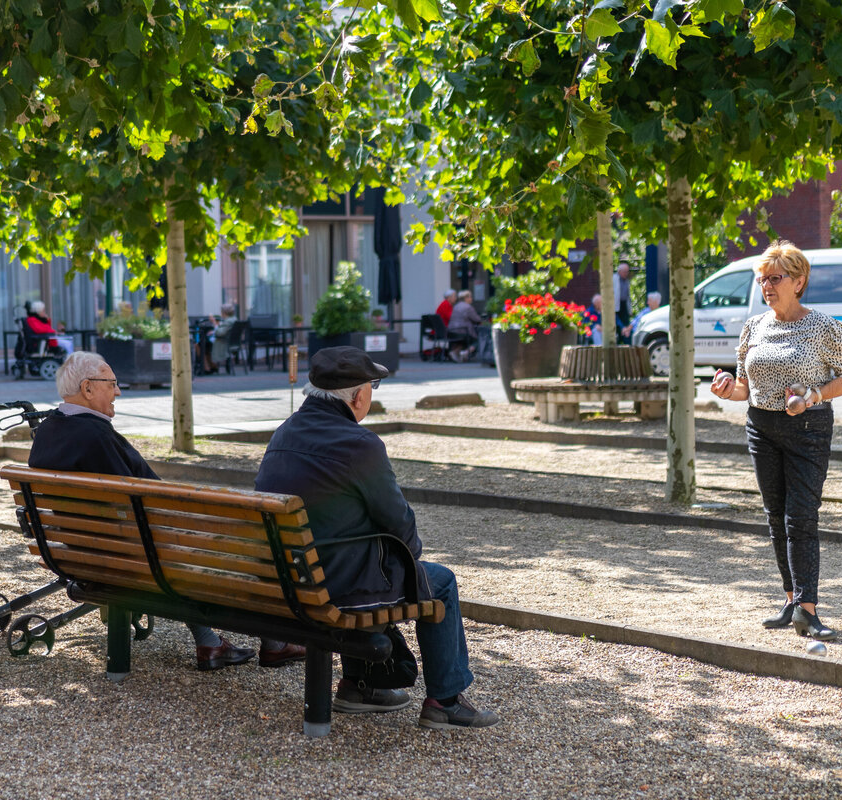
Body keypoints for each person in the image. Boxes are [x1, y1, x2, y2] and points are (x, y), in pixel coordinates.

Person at [255, 346, 499, 730]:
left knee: (361, 561)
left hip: (286, 578)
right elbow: (399, 523)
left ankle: (360, 686)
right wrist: (410, 559)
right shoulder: (361, 446)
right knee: (440, 582)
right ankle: (445, 700)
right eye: (373, 385)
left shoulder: (284, 432)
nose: (372, 393)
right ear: (358, 396)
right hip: (334, 585)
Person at [28, 351, 305, 670]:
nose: (118, 391)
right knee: (255, 541)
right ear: (88, 388)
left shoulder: (50, 430)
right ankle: (274, 641)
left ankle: (212, 643)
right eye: (113, 384)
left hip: (82, 552)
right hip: (134, 552)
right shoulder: (94, 435)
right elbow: (142, 503)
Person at [710, 241, 842, 642]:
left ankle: (808, 610)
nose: (766, 286)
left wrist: (813, 395)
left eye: (775, 278)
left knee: (801, 517)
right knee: (775, 516)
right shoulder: (754, 326)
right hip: (761, 427)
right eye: (762, 279)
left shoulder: (824, 327)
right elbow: (746, 387)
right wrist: (729, 391)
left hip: (807, 431)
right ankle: (792, 599)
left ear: (799, 281)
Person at [446, 290, 482, 362]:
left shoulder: (456, 306)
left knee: (463, 341)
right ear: (466, 298)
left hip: (452, 331)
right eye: (470, 297)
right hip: (463, 331)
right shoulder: (468, 307)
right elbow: (477, 319)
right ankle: (466, 353)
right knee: (478, 340)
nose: (471, 299)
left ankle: (455, 352)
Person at [613, 261, 632, 334]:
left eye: (627, 272)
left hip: (624, 305)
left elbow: (628, 295)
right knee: (618, 323)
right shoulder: (614, 278)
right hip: (617, 304)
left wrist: (630, 309)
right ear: (619, 271)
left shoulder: (626, 281)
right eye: (624, 272)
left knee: (625, 323)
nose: (626, 273)